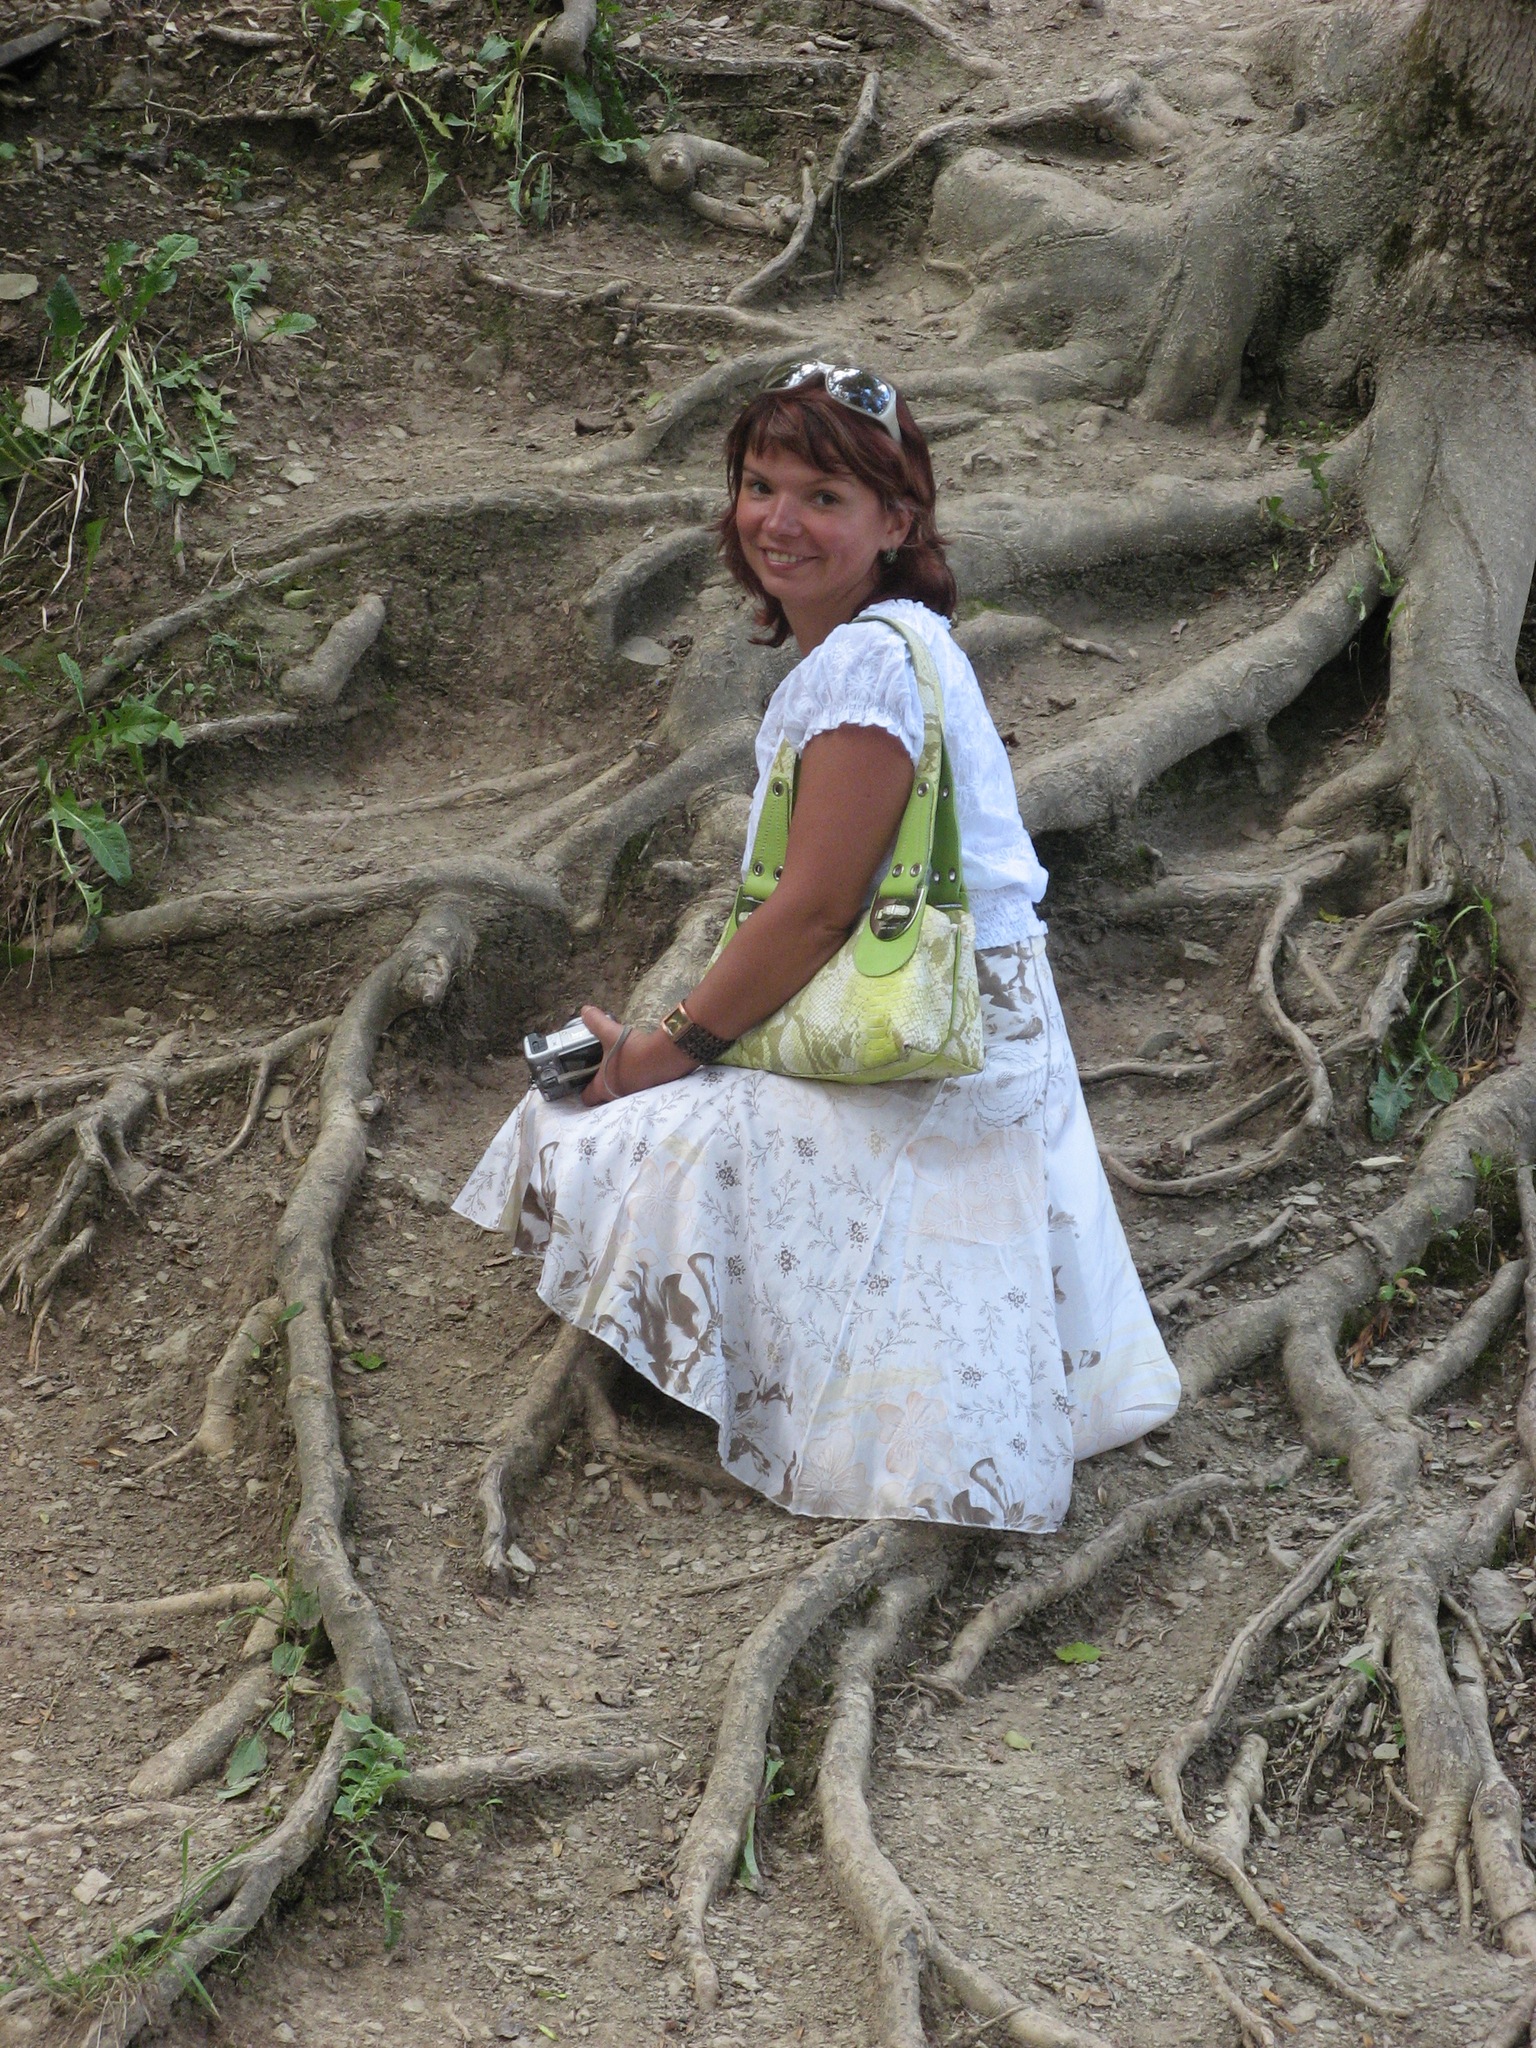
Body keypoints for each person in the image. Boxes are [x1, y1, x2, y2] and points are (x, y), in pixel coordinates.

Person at [453, 363, 1180, 1529]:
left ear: (897, 521)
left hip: (933, 1050)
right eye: (760, 485)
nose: (778, 521)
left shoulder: (863, 666)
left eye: (823, 496)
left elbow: (816, 910)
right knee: (610, 1110)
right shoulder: (903, 642)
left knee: (586, 1124)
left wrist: (659, 1051)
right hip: (973, 1025)